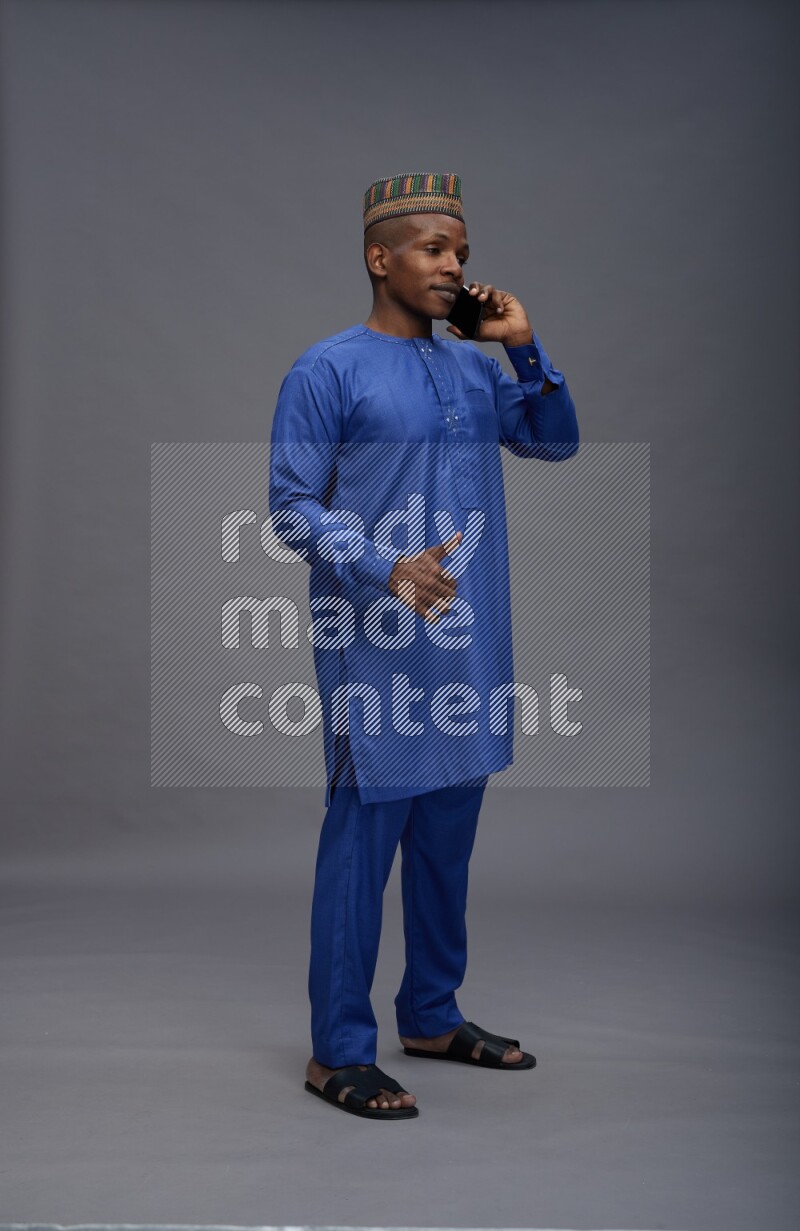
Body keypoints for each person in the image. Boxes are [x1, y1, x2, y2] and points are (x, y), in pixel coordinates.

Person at [269, 171, 579, 1119]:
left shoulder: (474, 369)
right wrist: (383, 564)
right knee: (363, 844)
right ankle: (338, 1051)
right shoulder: (327, 368)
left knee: (449, 840)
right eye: (436, 248)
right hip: (377, 643)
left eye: (462, 253)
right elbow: (290, 509)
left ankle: (433, 1014)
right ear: (380, 257)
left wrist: (524, 353)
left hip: (470, 638)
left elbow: (556, 443)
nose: (454, 266)